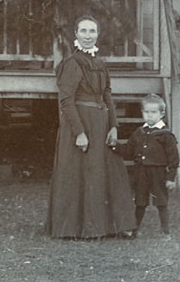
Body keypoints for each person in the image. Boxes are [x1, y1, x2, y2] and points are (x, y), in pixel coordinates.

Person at [45, 15, 136, 239]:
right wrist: (79, 133)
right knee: (81, 173)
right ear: (76, 34)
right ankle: (78, 228)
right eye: (83, 31)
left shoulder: (100, 63)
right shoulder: (72, 63)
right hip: (80, 123)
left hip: (101, 124)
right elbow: (66, 101)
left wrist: (114, 126)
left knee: (106, 172)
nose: (88, 36)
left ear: (98, 35)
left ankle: (107, 226)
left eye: (92, 31)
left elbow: (107, 95)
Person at [116, 93, 179, 236]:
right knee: (140, 201)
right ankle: (135, 229)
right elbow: (128, 151)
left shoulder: (166, 135)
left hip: (158, 173)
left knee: (161, 202)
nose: (149, 115)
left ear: (161, 114)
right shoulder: (140, 132)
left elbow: (174, 159)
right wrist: (115, 146)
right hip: (141, 172)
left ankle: (165, 231)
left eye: (153, 112)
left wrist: (170, 178)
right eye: (146, 112)